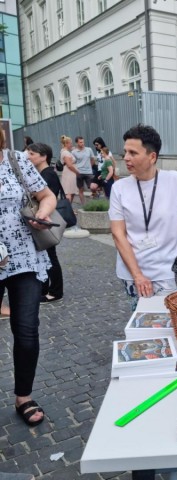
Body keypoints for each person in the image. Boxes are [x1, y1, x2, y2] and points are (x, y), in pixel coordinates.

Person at [109, 124, 177, 311]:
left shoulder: (174, 180)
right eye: (125, 152)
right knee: (144, 323)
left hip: (169, 270)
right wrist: (138, 275)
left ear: (152, 157)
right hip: (133, 271)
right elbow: (118, 233)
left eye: (133, 153)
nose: (126, 158)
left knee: (173, 322)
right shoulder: (119, 188)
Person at [0, 127, 57, 427]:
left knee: (26, 332)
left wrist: (44, 214)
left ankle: (23, 395)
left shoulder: (15, 160)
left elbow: (46, 196)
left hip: (24, 258)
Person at [27, 142, 64, 303]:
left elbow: (49, 197)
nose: (28, 156)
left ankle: (56, 291)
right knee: (44, 255)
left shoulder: (48, 174)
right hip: (40, 220)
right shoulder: (40, 173)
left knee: (50, 256)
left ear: (44, 157)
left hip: (46, 220)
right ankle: (44, 288)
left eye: (32, 154)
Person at [71, 136, 97, 204]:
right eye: (80, 142)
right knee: (81, 189)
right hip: (79, 172)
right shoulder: (73, 152)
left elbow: (92, 159)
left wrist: (90, 166)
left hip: (88, 172)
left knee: (93, 187)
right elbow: (72, 162)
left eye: (83, 142)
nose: (82, 143)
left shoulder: (89, 149)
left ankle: (94, 197)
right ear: (77, 143)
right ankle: (83, 205)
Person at [59, 135, 79, 204]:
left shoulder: (67, 152)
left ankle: (70, 208)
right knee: (68, 192)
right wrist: (77, 172)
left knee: (72, 191)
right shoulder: (65, 153)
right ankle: (68, 209)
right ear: (66, 144)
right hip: (69, 173)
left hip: (71, 173)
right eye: (70, 143)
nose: (71, 145)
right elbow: (69, 165)